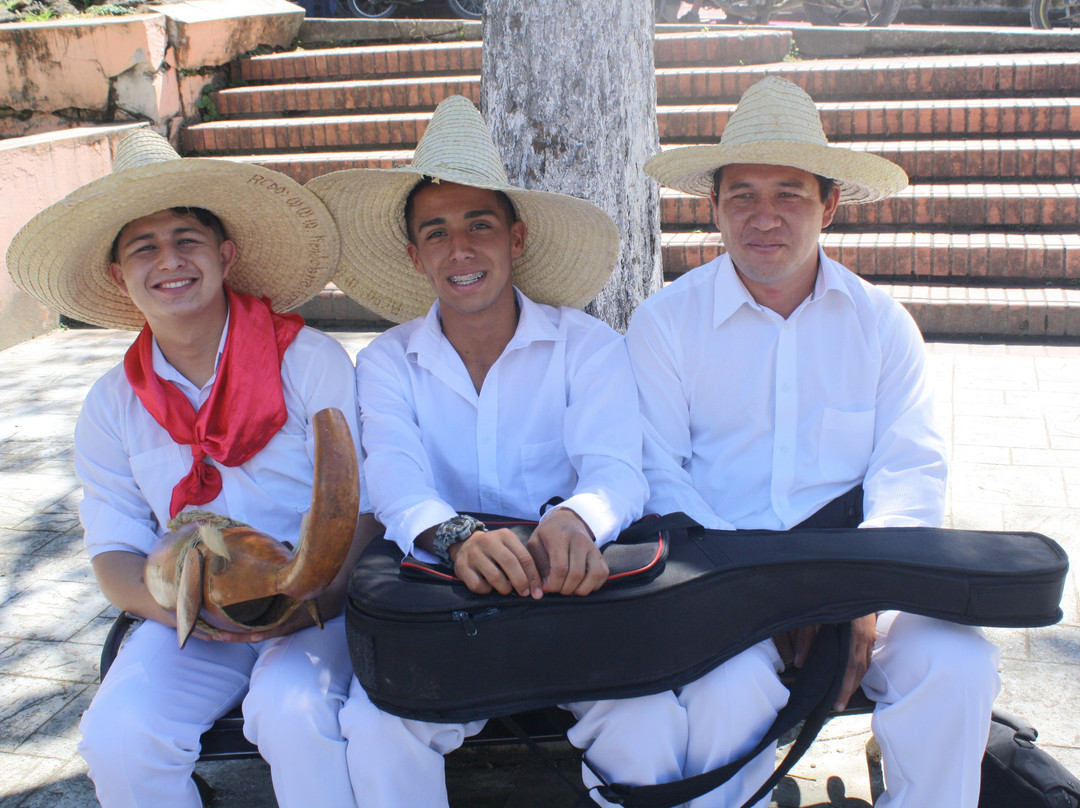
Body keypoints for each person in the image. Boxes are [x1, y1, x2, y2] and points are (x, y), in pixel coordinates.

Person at [625, 76, 1001, 807]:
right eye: (743, 196)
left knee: (958, 666)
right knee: (723, 690)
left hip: (864, 580)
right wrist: (759, 594)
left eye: (789, 194)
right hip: (720, 580)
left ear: (829, 205)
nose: (765, 217)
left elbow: (911, 475)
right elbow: (657, 473)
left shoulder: (882, 327)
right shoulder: (666, 325)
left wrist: (860, 593)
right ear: (714, 210)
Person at [307, 95, 688, 807]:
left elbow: (616, 470)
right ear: (414, 255)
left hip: (575, 596)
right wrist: (454, 537)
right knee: (378, 721)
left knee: (649, 716)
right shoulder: (388, 361)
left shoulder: (588, 347)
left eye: (479, 225)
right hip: (451, 600)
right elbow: (391, 474)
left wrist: (578, 519)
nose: (461, 250)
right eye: (438, 232)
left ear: (515, 239)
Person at [6, 128, 370, 808]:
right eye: (143, 247)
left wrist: (311, 596)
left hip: (316, 604)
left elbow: (362, 509)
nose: (168, 261)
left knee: (294, 715)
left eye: (186, 241)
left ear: (225, 256)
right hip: (189, 614)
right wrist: (178, 608)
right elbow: (113, 550)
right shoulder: (112, 403)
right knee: (118, 736)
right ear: (119, 276)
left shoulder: (309, 361)